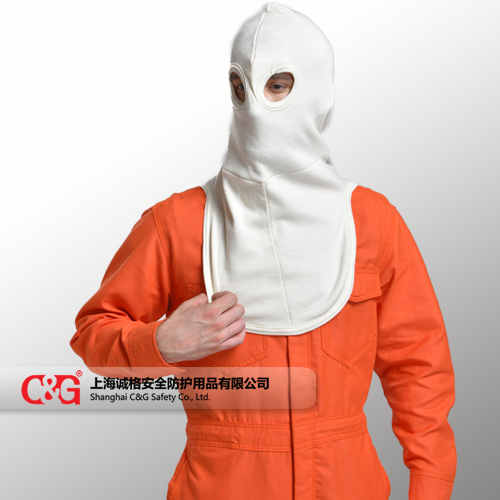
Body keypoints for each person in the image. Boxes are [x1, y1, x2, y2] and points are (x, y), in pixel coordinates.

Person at [70, 3, 457, 499]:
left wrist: (430, 486)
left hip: (347, 483)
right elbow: (93, 335)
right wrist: (159, 343)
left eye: (277, 85)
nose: (254, 108)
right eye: (240, 87)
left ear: (317, 87)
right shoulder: (178, 223)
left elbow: (420, 367)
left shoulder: (371, 222)